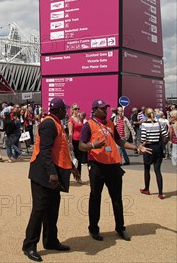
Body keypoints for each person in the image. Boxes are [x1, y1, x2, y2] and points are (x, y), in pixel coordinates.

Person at [79, 99, 151, 242]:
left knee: (117, 198)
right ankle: (93, 228)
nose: (105, 110)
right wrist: (93, 145)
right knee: (95, 198)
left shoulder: (110, 123)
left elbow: (120, 141)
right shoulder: (89, 124)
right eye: (101, 108)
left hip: (113, 165)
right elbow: (81, 145)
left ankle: (120, 228)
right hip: (97, 166)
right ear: (94, 110)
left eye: (105, 108)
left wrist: (136, 147)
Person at [22, 98, 76, 262]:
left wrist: (72, 169)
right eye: (64, 110)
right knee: (39, 210)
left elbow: (60, 149)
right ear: (59, 110)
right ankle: (29, 245)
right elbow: (44, 150)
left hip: (53, 172)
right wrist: (52, 174)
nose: (66, 112)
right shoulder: (49, 124)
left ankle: (51, 240)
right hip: (43, 174)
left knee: (52, 210)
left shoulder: (56, 123)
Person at [139, 108, 169, 199]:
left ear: (145, 114)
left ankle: (146, 189)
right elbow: (165, 135)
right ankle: (160, 193)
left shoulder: (144, 124)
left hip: (148, 147)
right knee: (157, 171)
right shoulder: (159, 123)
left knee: (147, 169)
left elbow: (143, 138)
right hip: (158, 148)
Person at [68, 103, 84, 180]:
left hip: (80, 140)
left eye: (78, 108)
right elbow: (70, 132)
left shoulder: (80, 118)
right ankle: (77, 176)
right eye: (75, 109)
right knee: (76, 159)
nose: (77, 110)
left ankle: (78, 175)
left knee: (80, 159)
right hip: (74, 141)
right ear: (72, 110)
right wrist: (70, 143)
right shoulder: (71, 120)